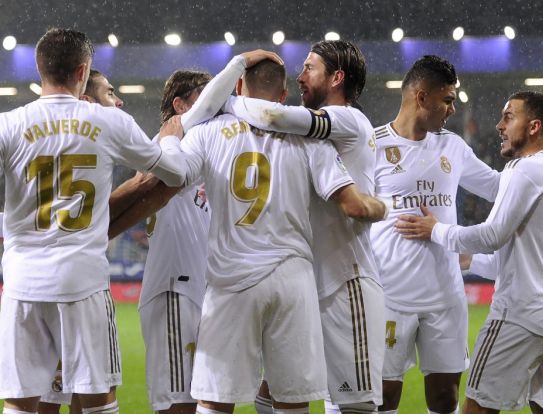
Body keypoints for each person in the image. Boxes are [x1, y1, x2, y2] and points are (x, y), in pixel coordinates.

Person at [157, 56, 386, 414]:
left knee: (215, 400)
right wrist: (382, 206)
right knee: (291, 400)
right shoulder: (310, 140)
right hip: (292, 279)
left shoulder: (206, 133)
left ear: (237, 89)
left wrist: (172, 139)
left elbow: (175, 175)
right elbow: (347, 199)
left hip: (231, 281)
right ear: (282, 95)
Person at [0, 28, 190, 414]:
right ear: (83, 71)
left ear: (39, 69)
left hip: (22, 283)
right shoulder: (108, 123)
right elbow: (174, 173)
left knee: (21, 404)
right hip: (82, 281)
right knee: (97, 400)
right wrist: (170, 137)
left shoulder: (9, 124)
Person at [222, 40, 385, 414]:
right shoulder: (316, 138)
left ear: (337, 78)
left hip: (347, 284)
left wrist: (229, 101)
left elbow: (276, 117)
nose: (299, 76)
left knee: (356, 406)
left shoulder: (347, 120)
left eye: (309, 68)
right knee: (276, 393)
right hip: (309, 285)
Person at [396, 91, 543, 414]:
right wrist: (471, 260)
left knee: (477, 408)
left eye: (509, 117)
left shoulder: (525, 170)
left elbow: (491, 235)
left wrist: (435, 230)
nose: (498, 125)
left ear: (534, 126)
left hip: (522, 315)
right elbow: (516, 261)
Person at [367, 55, 500, 414]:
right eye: (448, 99)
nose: (452, 108)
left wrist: (539, 170)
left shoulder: (452, 147)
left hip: (445, 295)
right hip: (389, 293)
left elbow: (496, 187)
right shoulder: (372, 145)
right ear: (421, 97)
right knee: (383, 399)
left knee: (444, 399)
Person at [110, 70, 213, 414]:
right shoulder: (166, 147)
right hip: (174, 289)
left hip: (200, 288)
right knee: (177, 405)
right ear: (179, 104)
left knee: (205, 400)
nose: (213, 105)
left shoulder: (200, 148)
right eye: (204, 96)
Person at [38, 67, 125, 414]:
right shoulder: (104, 135)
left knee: (45, 392)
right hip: (84, 282)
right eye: (109, 93)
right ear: (86, 100)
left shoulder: (38, 135)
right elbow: (160, 174)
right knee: (96, 392)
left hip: (37, 283)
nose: (117, 100)